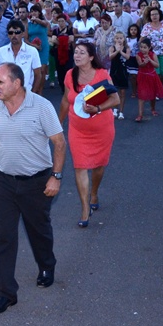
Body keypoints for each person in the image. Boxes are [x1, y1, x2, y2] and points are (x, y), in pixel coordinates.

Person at [0, 63, 66, 314]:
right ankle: (6, 293)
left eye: (0, 82)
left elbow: (59, 142)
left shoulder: (41, 106)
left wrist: (56, 177)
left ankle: (46, 264)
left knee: (38, 230)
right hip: (4, 182)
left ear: (17, 84)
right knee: (4, 237)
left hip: (37, 182)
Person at [58, 42, 120, 227]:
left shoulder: (102, 75)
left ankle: (94, 192)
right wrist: (58, 124)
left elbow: (115, 99)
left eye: (81, 53)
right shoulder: (70, 75)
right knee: (80, 166)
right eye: (75, 52)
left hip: (102, 130)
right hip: (77, 130)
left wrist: (98, 108)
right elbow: (65, 100)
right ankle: (85, 209)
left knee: (99, 166)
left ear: (91, 57)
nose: (77, 56)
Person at [0, 20, 42, 92]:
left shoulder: (32, 51)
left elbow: (38, 75)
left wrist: (32, 94)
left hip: (26, 92)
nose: (14, 35)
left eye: (17, 32)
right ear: (8, 35)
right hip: (6, 93)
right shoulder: (1, 51)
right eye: (11, 33)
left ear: (23, 34)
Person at [140, 7, 163, 85]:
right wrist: (142, 51)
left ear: (160, 15)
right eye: (152, 15)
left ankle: (159, 86)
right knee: (156, 74)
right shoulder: (147, 26)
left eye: (156, 14)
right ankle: (156, 88)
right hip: (153, 54)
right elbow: (141, 40)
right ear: (150, 16)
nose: (154, 16)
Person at [135, 38, 163, 121]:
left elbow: (157, 65)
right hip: (142, 76)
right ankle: (140, 115)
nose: (142, 49)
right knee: (141, 95)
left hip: (152, 76)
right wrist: (144, 63)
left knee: (153, 94)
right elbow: (140, 65)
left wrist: (150, 60)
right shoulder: (138, 55)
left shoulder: (153, 54)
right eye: (141, 47)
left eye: (145, 47)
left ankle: (153, 109)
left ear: (149, 48)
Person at [108, 32, 131, 119]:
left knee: (122, 92)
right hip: (114, 71)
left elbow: (127, 57)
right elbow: (110, 57)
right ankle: (115, 110)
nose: (119, 40)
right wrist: (117, 51)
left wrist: (120, 51)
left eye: (121, 38)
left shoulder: (126, 48)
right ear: (114, 39)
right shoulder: (112, 47)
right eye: (117, 38)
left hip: (123, 72)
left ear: (124, 39)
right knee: (114, 91)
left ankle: (121, 112)